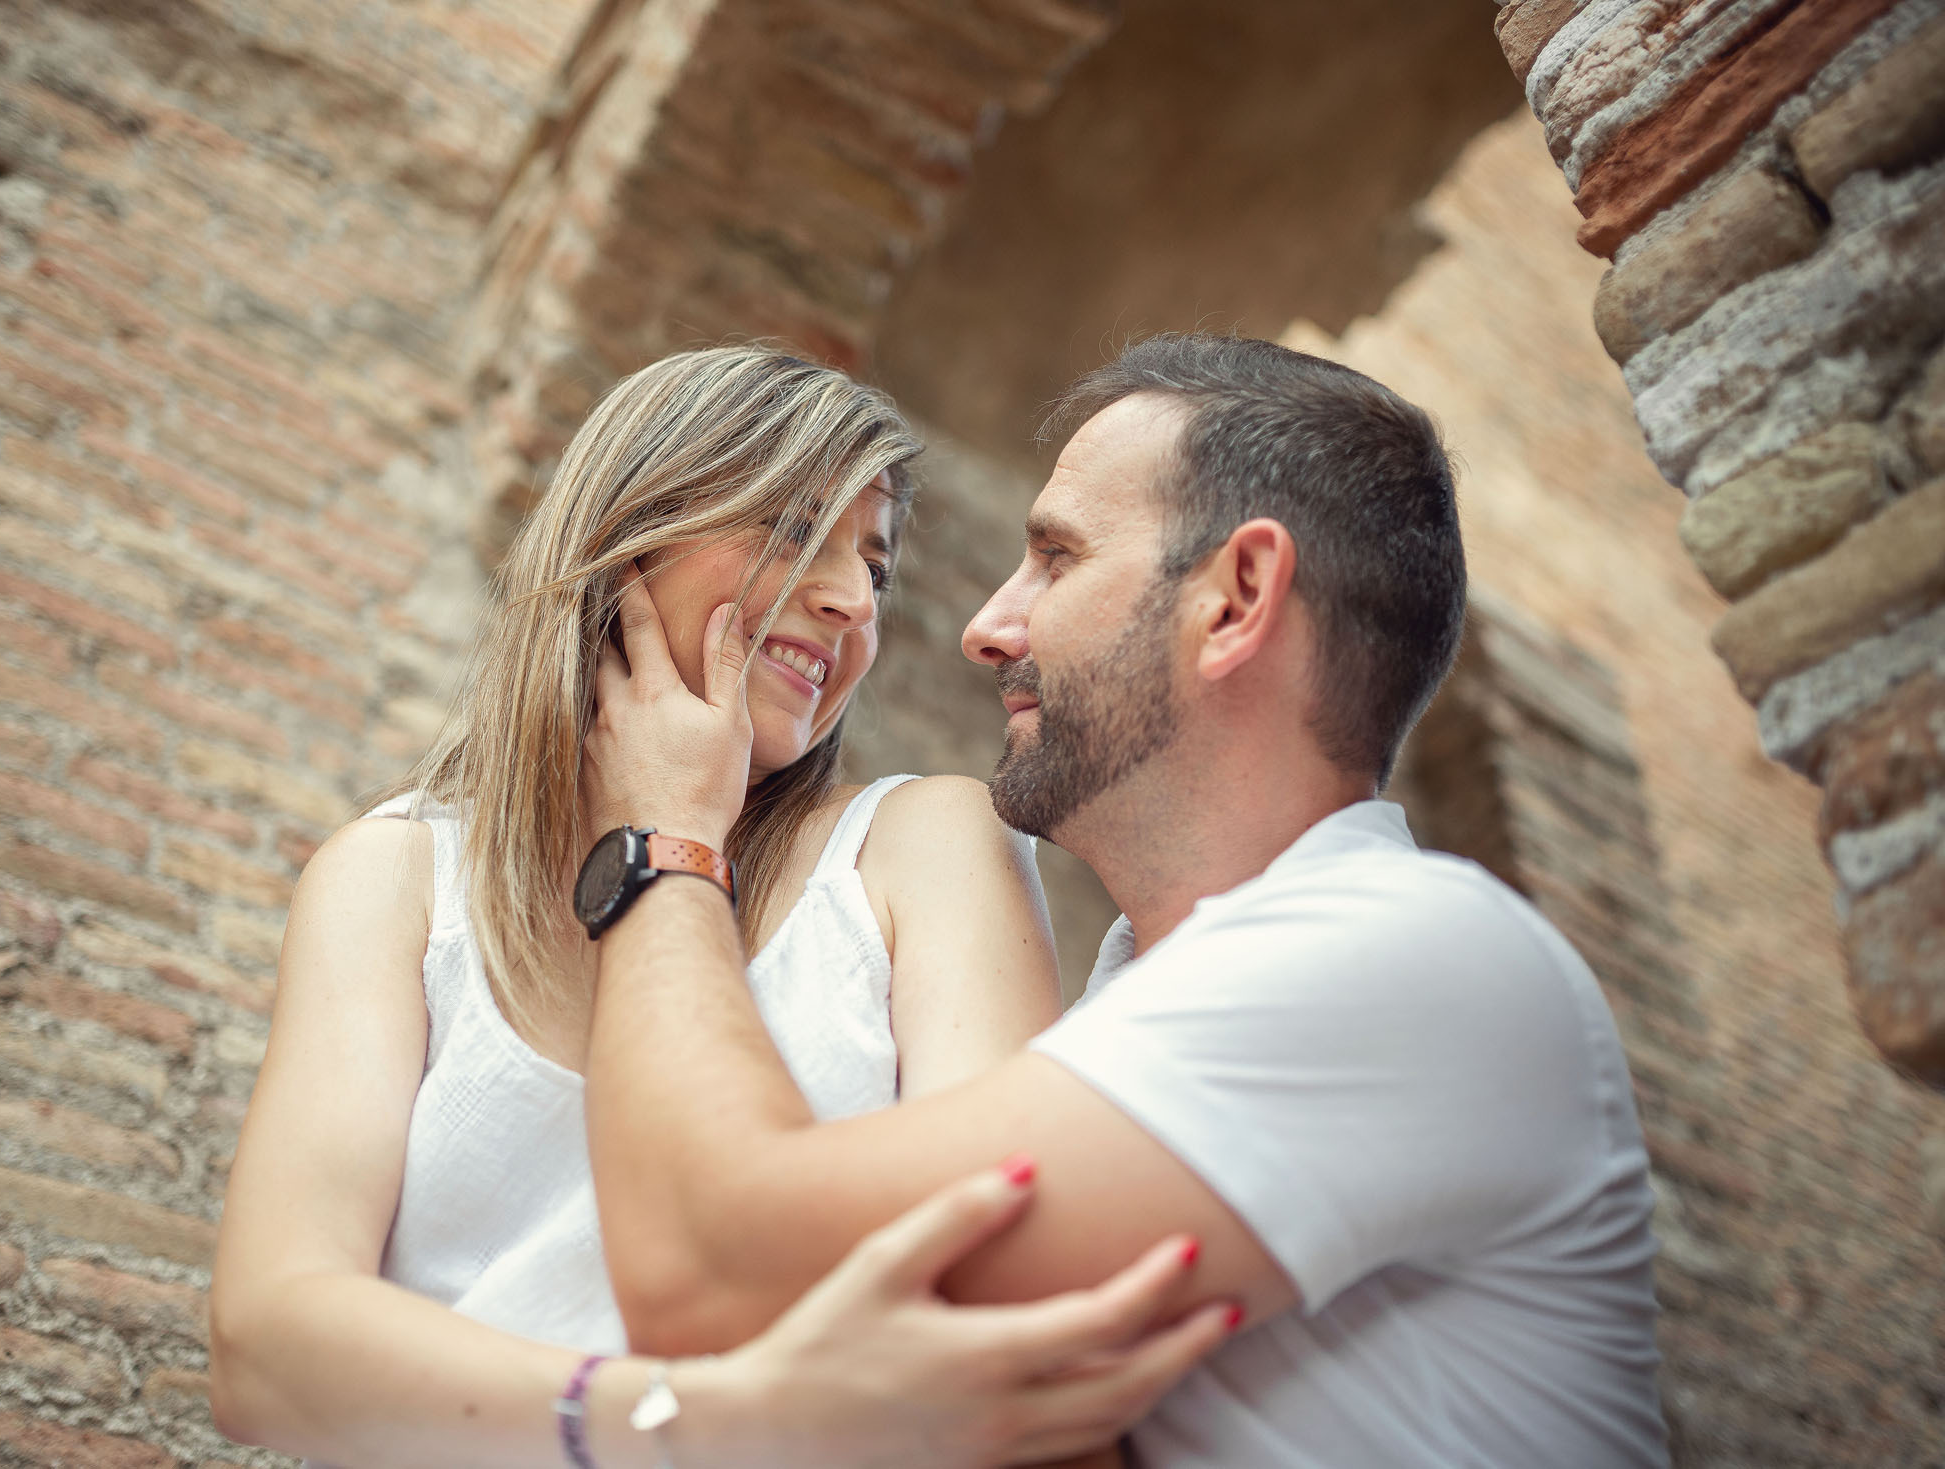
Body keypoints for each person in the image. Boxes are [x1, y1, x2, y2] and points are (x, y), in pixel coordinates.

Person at [578, 333, 1671, 1467]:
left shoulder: (1415, 957)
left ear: (1236, 598)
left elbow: (704, 1264)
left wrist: (665, 835)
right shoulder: (1136, 1003)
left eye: (1055, 558)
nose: (986, 627)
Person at [208, 345, 1236, 1469]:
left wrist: (670, 826)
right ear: (631, 536)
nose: (852, 599)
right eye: (793, 528)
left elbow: (985, 1285)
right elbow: (266, 1347)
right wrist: (692, 1416)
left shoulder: (923, 847)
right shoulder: (394, 877)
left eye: (876, 567)